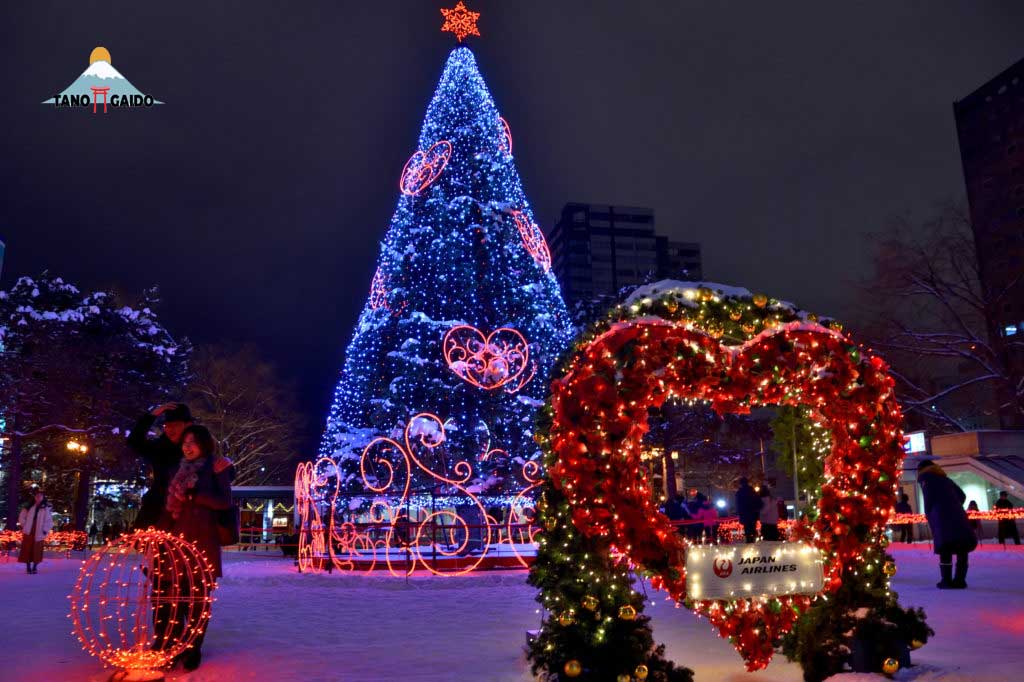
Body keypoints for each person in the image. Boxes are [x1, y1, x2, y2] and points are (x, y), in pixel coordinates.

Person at [154, 424, 234, 671]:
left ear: (204, 445)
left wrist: (195, 496)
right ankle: (170, 646)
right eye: (185, 443)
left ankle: (193, 648)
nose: (188, 447)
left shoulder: (215, 468)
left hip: (202, 541)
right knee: (171, 598)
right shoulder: (177, 470)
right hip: (175, 541)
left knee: (197, 600)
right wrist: (157, 535)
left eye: (193, 442)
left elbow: (224, 502)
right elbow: (168, 508)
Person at [128, 402, 193, 530]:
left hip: (186, 511)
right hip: (156, 510)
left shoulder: (196, 448)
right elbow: (134, 441)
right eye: (167, 426)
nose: (170, 429)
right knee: (152, 547)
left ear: (188, 425)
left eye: (175, 425)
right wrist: (151, 416)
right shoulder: (159, 447)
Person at [917, 460, 977, 589]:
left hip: (941, 518)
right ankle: (960, 581)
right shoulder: (944, 478)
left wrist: (930, 514)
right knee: (962, 547)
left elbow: (929, 500)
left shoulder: (925, 478)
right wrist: (953, 505)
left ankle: (946, 581)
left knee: (945, 547)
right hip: (959, 516)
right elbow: (962, 495)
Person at [18, 490, 54, 574]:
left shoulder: (45, 509)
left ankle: (34, 567)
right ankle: (28, 567)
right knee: (27, 549)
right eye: (37, 495)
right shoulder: (29, 507)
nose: (38, 497)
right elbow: (21, 517)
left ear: (43, 497)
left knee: (36, 551)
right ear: (34, 497)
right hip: (29, 531)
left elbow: (49, 521)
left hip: (39, 532)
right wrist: (25, 525)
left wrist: (45, 530)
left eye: (40, 495)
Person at [735, 477, 762, 543]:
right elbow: (758, 501)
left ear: (741, 483)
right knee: (753, 528)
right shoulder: (752, 491)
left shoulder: (739, 492)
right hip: (753, 513)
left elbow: (738, 504)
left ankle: (749, 542)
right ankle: (753, 541)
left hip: (745, 514)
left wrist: (739, 513)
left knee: (747, 529)